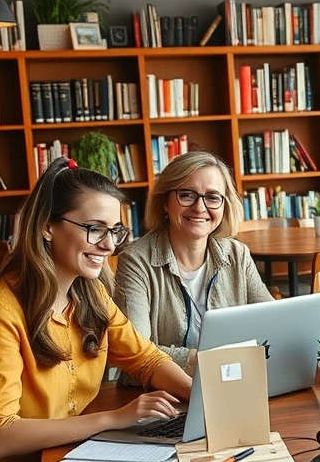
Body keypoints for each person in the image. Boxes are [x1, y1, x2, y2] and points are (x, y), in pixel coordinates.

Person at [0, 158, 192, 462]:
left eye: (115, 231)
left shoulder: (89, 294)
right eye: (94, 229)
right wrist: (113, 419)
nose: (109, 246)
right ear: (47, 227)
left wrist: (201, 395)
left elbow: (145, 359)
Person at [114, 151, 273, 376]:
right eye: (187, 195)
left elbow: (272, 325)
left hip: (232, 382)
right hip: (164, 394)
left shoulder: (237, 255)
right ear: (165, 203)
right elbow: (135, 352)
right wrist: (202, 361)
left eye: (212, 197)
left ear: (224, 205)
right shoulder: (135, 262)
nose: (200, 207)